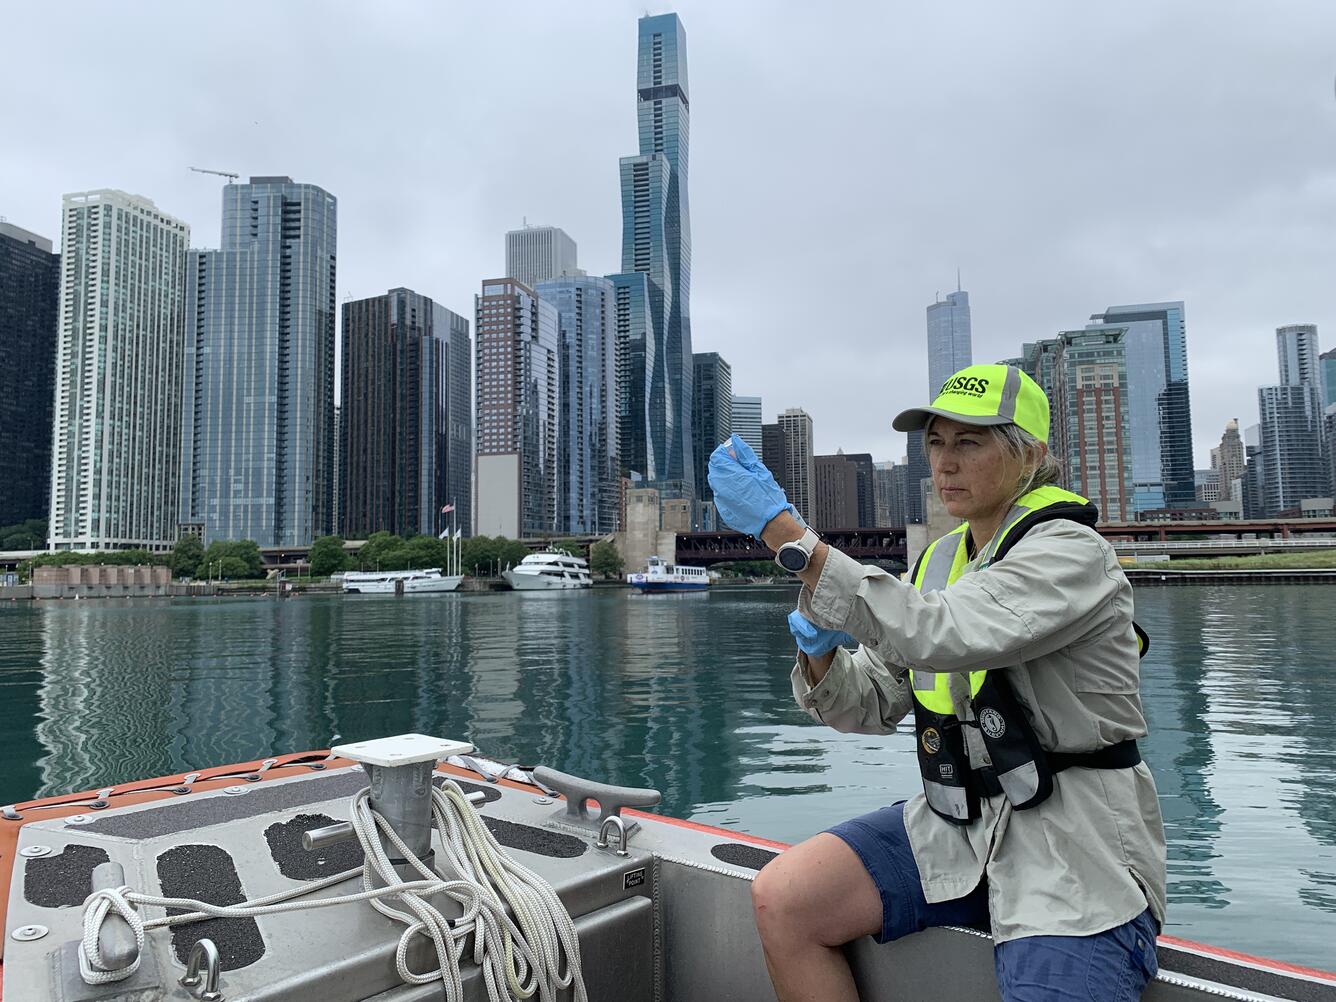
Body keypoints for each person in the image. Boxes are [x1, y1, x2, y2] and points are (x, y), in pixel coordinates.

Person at [707, 364, 1166, 1002]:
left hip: (1075, 852)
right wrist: (821, 659)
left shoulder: (1070, 551)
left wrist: (788, 537)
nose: (944, 464)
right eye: (935, 444)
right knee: (785, 898)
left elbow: (940, 633)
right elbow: (871, 704)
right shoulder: (938, 560)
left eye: (969, 443)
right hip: (959, 826)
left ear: (1029, 455)